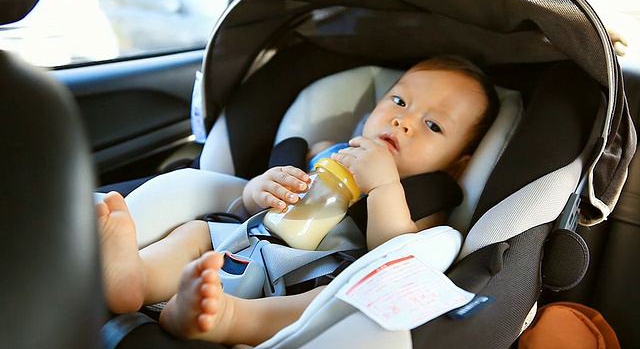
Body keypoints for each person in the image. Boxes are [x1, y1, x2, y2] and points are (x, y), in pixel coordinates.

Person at [98, 55, 500, 346]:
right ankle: (138, 277)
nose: (404, 120)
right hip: (251, 243)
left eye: (432, 125)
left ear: (457, 165)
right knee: (195, 232)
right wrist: (262, 187)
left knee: (327, 301)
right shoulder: (326, 149)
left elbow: (397, 256)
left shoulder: (429, 197)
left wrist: (383, 188)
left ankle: (225, 318)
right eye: (398, 101)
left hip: (319, 276)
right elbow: (249, 202)